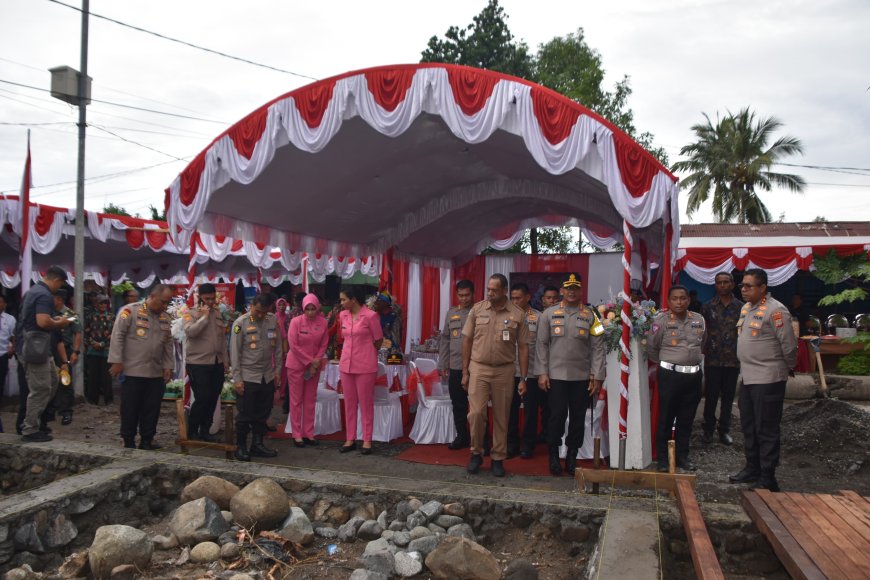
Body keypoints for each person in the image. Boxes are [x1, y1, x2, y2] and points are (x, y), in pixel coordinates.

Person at [730, 268, 797, 492]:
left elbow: (788, 344)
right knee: (749, 426)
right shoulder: (746, 308)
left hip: (768, 377)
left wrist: (789, 366)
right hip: (748, 376)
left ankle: (768, 476)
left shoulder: (776, 311)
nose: (744, 289)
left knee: (766, 428)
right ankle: (752, 468)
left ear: (763, 288)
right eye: (742, 286)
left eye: (749, 286)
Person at [536, 274, 604, 475]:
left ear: (581, 290)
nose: (572, 292)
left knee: (577, 418)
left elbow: (598, 347)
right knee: (556, 416)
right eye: (568, 288)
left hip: (581, 377)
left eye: (576, 288)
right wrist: (542, 373)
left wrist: (597, 375)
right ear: (562, 291)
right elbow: (541, 345)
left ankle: (572, 456)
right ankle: (554, 456)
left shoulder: (592, 316)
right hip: (555, 376)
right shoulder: (548, 314)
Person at [462, 274, 529, 477]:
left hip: (504, 370)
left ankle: (498, 458)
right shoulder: (478, 309)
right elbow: (467, 341)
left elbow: (524, 347)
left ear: (504, 291)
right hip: (479, 368)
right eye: (488, 289)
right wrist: (465, 372)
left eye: (494, 290)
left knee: (502, 416)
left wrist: (524, 378)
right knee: (476, 414)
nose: (489, 293)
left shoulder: (517, 314)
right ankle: (476, 453)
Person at [108, 284, 175, 450]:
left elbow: (167, 344)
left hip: (155, 372)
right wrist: (117, 361)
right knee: (130, 408)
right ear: (152, 296)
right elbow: (118, 336)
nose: (165, 306)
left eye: (168, 303)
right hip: (133, 370)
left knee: (152, 408)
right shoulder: (130, 311)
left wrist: (168, 366)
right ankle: (128, 440)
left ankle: (147, 439)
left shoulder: (165, 318)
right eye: (163, 302)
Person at [648, 285, 706, 472]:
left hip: (693, 377)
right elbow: (652, 348)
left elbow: (702, 343)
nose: (679, 302)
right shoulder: (661, 321)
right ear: (669, 301)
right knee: (666, 418)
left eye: (683, 298)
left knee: (686, 419)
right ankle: (663, 460)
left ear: (688, 300)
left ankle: (683, 457)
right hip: (670, 376)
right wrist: (671, 363)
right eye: (675, 299)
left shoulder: (699, 319)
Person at [15, 266, 71, 442]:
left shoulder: (34, 291)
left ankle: (37, 423)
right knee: (40, 389)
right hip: (34, 348)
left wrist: (53, 321)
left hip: (38, 347)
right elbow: (42, 321)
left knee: (53, 382)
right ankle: (30, 429)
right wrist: (60, 323)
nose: (59, 288)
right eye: (60, 284)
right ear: (56, 281)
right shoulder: (44, 295)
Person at [229, 292, 283, 461]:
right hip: (248, 376)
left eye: (263, 312)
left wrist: (278, 371)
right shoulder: (241, 323)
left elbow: (279, 348)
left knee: (263, 412)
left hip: (267, 375)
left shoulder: (272, 320)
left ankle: (257, 445)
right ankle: (241, 446)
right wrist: (237, 379)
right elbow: (235, 353)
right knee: (245, 414)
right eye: (257, 311)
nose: (260, 315)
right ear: (251, 306)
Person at [337, 286, 383, 455]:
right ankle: (350, 438)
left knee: (365, 404)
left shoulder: (370, 316)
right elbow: (343, 338)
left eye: (343, 299)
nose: (341, 303)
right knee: (349, 403)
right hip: (346, 364)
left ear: (353, 299)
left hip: (365, 365)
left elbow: (378, 340)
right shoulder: (343, 315)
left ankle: (367, 440)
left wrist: (367, 352)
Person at [183, 283, 229, 442]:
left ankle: (205, 430)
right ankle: (192, 430)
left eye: (212, 298)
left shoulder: (217, 313)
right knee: (202, 397)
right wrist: (204, 317)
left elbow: (222, 339)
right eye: (207, 299)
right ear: (199, 297)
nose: (210, 302)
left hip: (216, 362)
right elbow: (191, 332)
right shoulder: (190, 313)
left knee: (212, 397)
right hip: (198, 362)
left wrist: (226, 361)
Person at [700, 272, 743, 445]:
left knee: (728, 398)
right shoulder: (707, 307)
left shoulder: (741, 307)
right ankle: (708, 430)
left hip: (733, 360)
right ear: (715, 285)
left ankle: (724, 431)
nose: (723, 285)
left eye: (726, 282)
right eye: (719, 282)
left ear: (732, 284)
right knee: (710, 397)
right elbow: (702, 333)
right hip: (713, 359)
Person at [286, 293, 328, 448]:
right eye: (307, 309)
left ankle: (308, 433)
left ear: (318, 308)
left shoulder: (323, 322)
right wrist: (311, 361)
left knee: (310, 400)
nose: (310, 312)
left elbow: (324, 343)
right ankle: (296, 434)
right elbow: (293, 344)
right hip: (296, 365)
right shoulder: (296, 322)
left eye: (313, 309)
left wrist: (316, 361)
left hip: (314, 368)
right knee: (296, 401)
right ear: (303, 308)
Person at [507, 282, 543, 459]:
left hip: (531, 371)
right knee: (510, 409)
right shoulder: (506, 316)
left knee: (530, 410)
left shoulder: (538, 317)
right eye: (512, 298)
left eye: (518, 298)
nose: (515, 301)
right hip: (509, 370)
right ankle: (511, 443)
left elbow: (543, 346)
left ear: (528, 297)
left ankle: (528, 444)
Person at [438, 279, 474, 450]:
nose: (464, 299)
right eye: (461, 295)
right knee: (458, 404)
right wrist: (443, 363)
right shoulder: (451, 313)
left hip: (476, 367)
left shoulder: (480, 312)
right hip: (456, 366)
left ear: (473, 294)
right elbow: (445, 338)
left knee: (477, 406)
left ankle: (480, 438)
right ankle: (462, 436)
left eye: (467, 295)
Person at [47, 289, 82, 425]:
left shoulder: (70, 314)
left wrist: (75, 352)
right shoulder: (48, 312)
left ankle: (66, 412)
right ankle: (50, 411)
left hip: (65, 350)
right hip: (50, 350)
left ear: (60, 299)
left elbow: (77, 333)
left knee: (65, 381)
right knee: (50, 381)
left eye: (53, 298)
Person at [84, 293, 114, 405]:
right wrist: (92, 343)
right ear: (96, 304)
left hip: (106, 350)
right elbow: (85, 333)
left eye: (105, 303)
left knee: (107, 377)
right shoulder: (89, 316)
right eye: (101, 303)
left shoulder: (111, 317)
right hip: (92, 350)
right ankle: (92, 399)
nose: (103, 305)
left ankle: (108, 399)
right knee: (93, 376)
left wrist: (102, 344)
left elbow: (113, 334)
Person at [0, 295, 17, 409]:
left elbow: (13, 337)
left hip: (2, 354)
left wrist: (13, 347)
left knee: (1, 379)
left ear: (5, 304)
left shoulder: (10, 319)